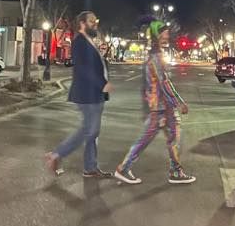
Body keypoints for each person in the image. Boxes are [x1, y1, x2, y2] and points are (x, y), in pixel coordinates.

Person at [114, 20, 195, 185]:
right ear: (156, 35)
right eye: (163, 33)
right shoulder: (156, 57)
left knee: (171, 137)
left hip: (161, 106)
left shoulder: (156, 55)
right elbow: (163, 82)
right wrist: (177, 102)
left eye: (166, 33)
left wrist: (176, 101)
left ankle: (176, 171)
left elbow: (161, 82)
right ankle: (124, 169)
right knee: (153, 139)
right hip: (161, 107)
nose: (167, 35)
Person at [46, 10, 112, 178]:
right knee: (89, 130)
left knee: (92, 132)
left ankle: (90, 168)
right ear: (82, 23)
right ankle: (57, 154)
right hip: (87, 94)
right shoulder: (79, 42)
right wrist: (102, 84)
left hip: (95, 94)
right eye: (91, 21)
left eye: (95, 21)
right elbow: (83, 69)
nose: (95, 24)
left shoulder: (89, 41)